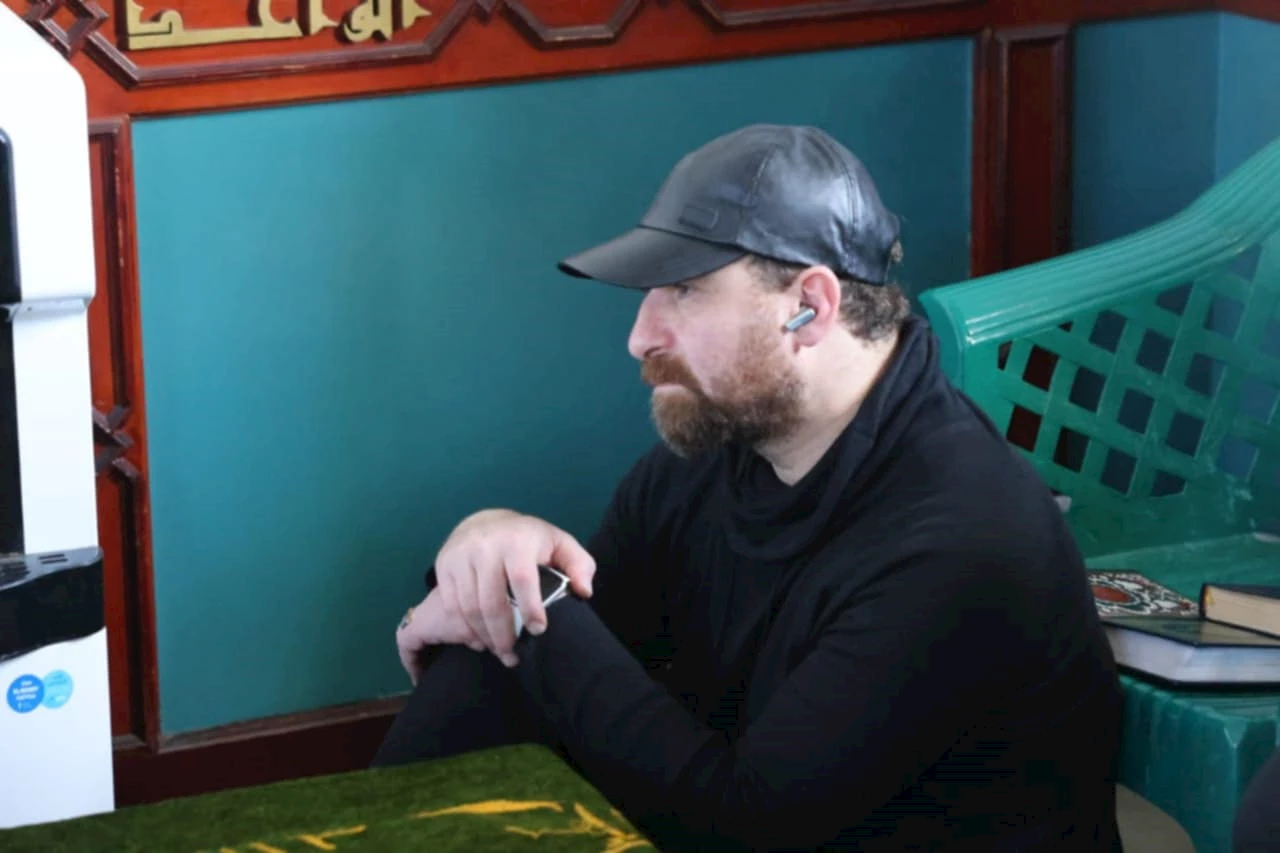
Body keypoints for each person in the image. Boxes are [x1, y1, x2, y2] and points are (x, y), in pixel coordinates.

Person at [374, 123, 1125, 851]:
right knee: (494, 661)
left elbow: (743, 824)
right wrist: (493, 547)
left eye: (686, 290)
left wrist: (527, 600)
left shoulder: (963, 538)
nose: (640, 337)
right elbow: (580, 649)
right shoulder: (716, 451)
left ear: (811, 306)